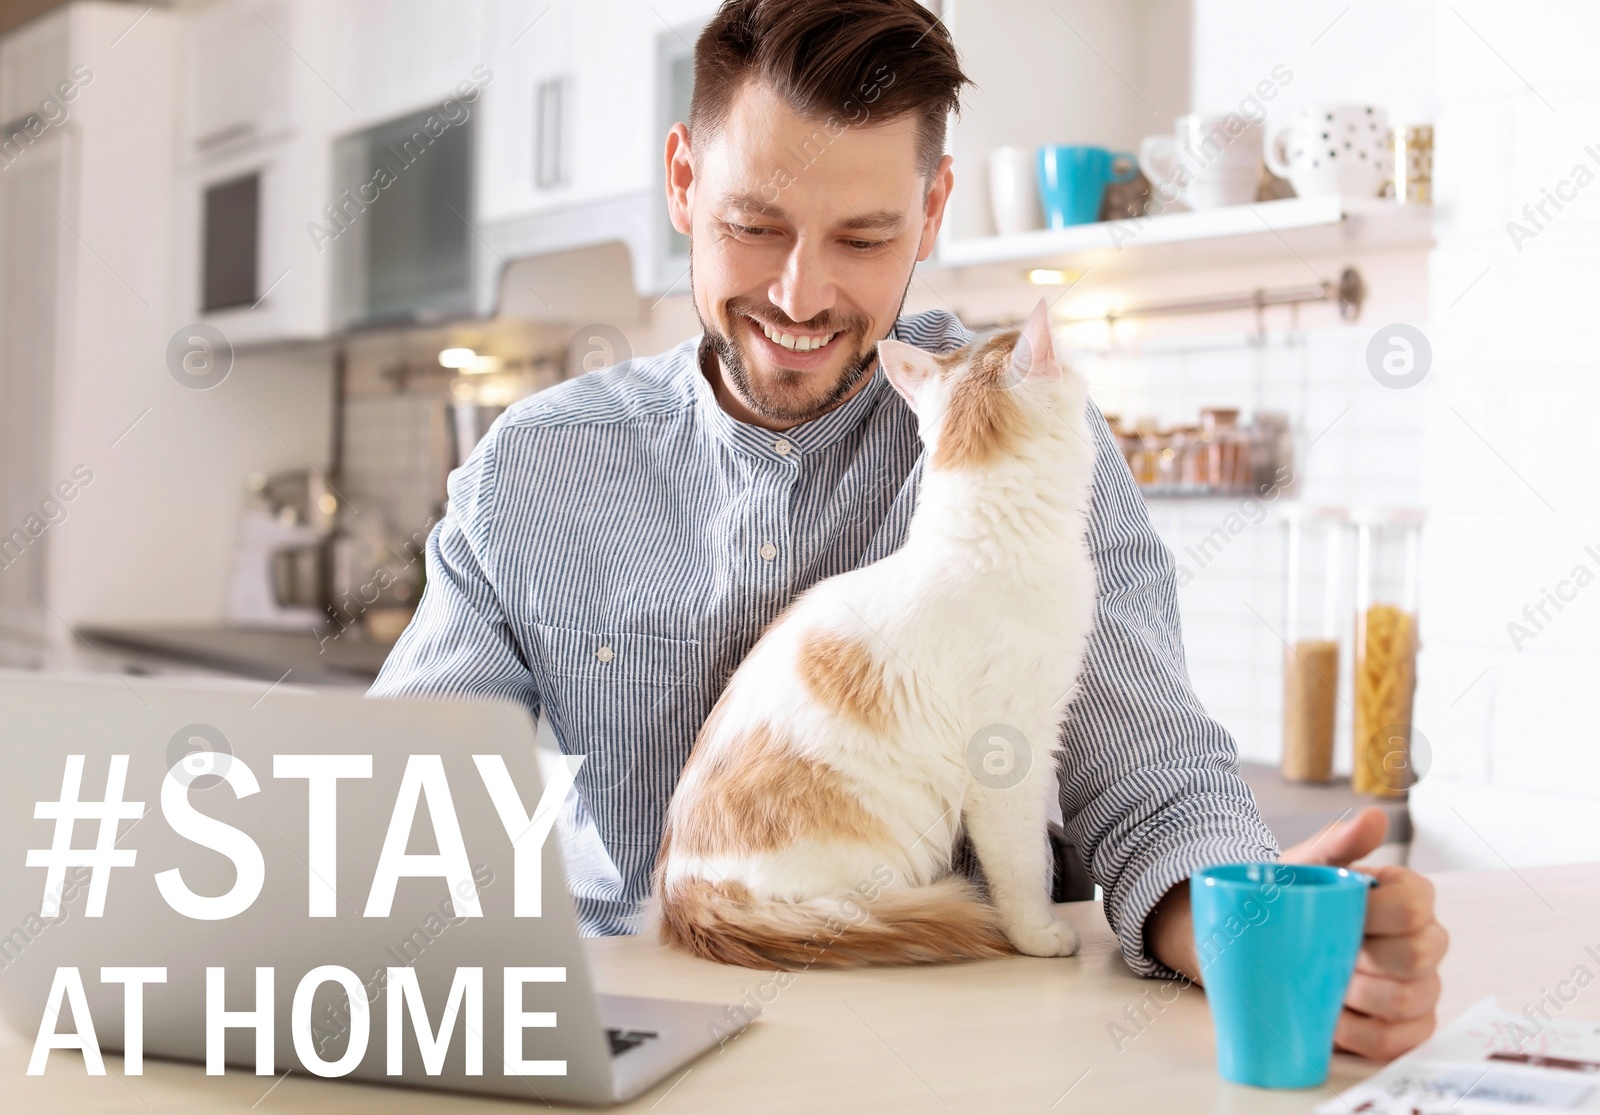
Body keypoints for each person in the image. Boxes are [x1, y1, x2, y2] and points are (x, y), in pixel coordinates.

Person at [370, 0, 1446, 1061]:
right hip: (637, 1037)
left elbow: (1155, 783)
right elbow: (394, 807)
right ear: (683, 181)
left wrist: (1244, 934)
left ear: (931, 212)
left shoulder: (1028, 430)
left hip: (959, 1045)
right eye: (754, 226)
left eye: (863, 236)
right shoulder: (537, 466)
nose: (800, 293)